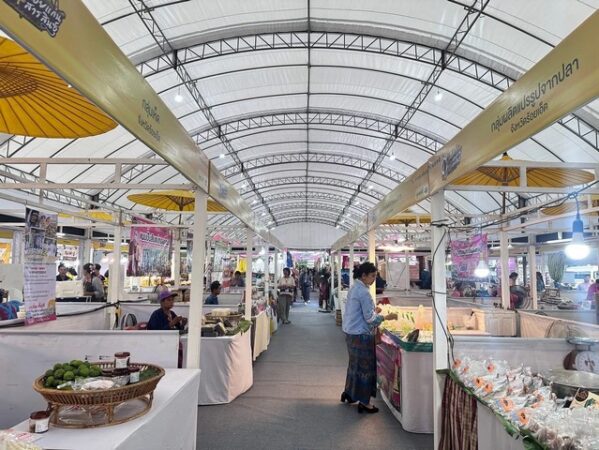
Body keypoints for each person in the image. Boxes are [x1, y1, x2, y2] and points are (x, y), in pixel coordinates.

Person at [341, 262, 397, 414]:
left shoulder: (355, 287)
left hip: (351, 332)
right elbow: (370, 319)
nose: (374, 279)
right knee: (365, 368)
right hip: (361, 335)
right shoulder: (364, 292)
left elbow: (360, 312)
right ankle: (364, 402)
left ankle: (350, 393)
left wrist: (374, 310)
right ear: (364, 275)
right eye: (372, 276)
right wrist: (386, 317)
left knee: (354, 366)